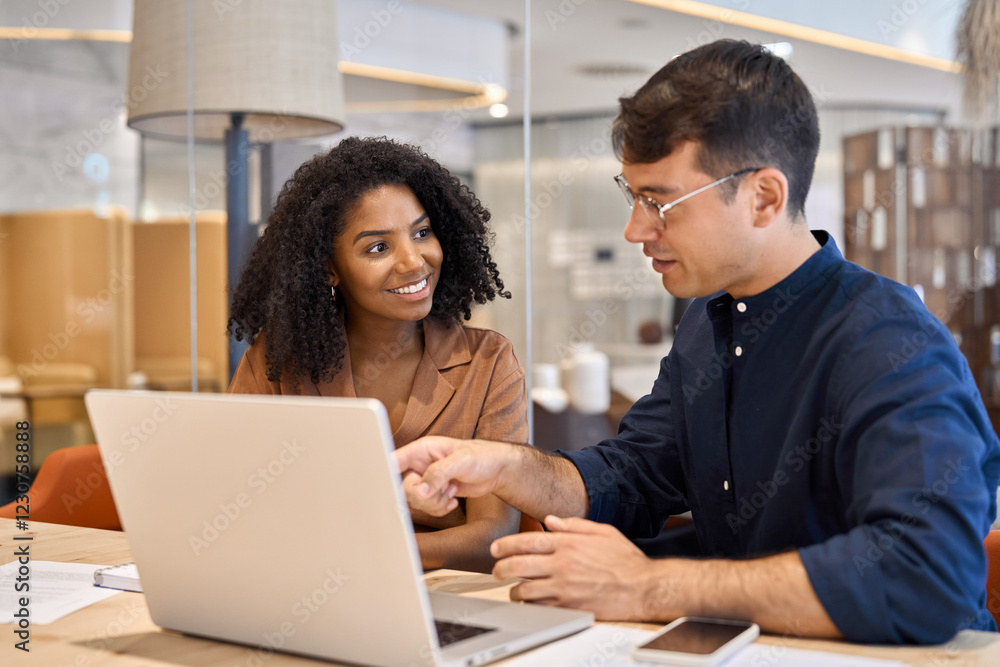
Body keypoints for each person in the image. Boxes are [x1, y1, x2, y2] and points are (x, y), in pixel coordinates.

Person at [395, 40, 1000, 644]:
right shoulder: (706, 327)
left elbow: (925, 575)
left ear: (764, 197)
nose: (636, 229)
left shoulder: (888, 339)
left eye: (660, 201)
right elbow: (631, 477)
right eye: (632, 196)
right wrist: (503, 466)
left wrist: (647, 587)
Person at [228, 136, 527, 574]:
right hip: (303, 589)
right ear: (329, 268)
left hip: (442, 598)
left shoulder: (489, 364)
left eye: (422, 233)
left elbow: (491, 538)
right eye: (378, 247)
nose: (413, 262)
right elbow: (241, 509)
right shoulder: (276, 364)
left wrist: (364, 554)